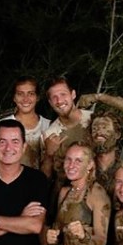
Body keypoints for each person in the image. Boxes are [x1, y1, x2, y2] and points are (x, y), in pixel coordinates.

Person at [41, 76, 92, 217]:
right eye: (54, 97)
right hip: (67, 193)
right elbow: (45, 177)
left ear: (73, 94)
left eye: (63, 94)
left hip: (97, 188)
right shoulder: (50, 134)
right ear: (50, 102)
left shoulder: (93, 119)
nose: (59, 101)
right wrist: (49, 154)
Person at [2, 75, 51, 169]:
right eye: (20, 94)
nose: (25, 99)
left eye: (31, 94)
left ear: (37, 97)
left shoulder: (48, 125)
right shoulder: (4, 125)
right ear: (14, 97)